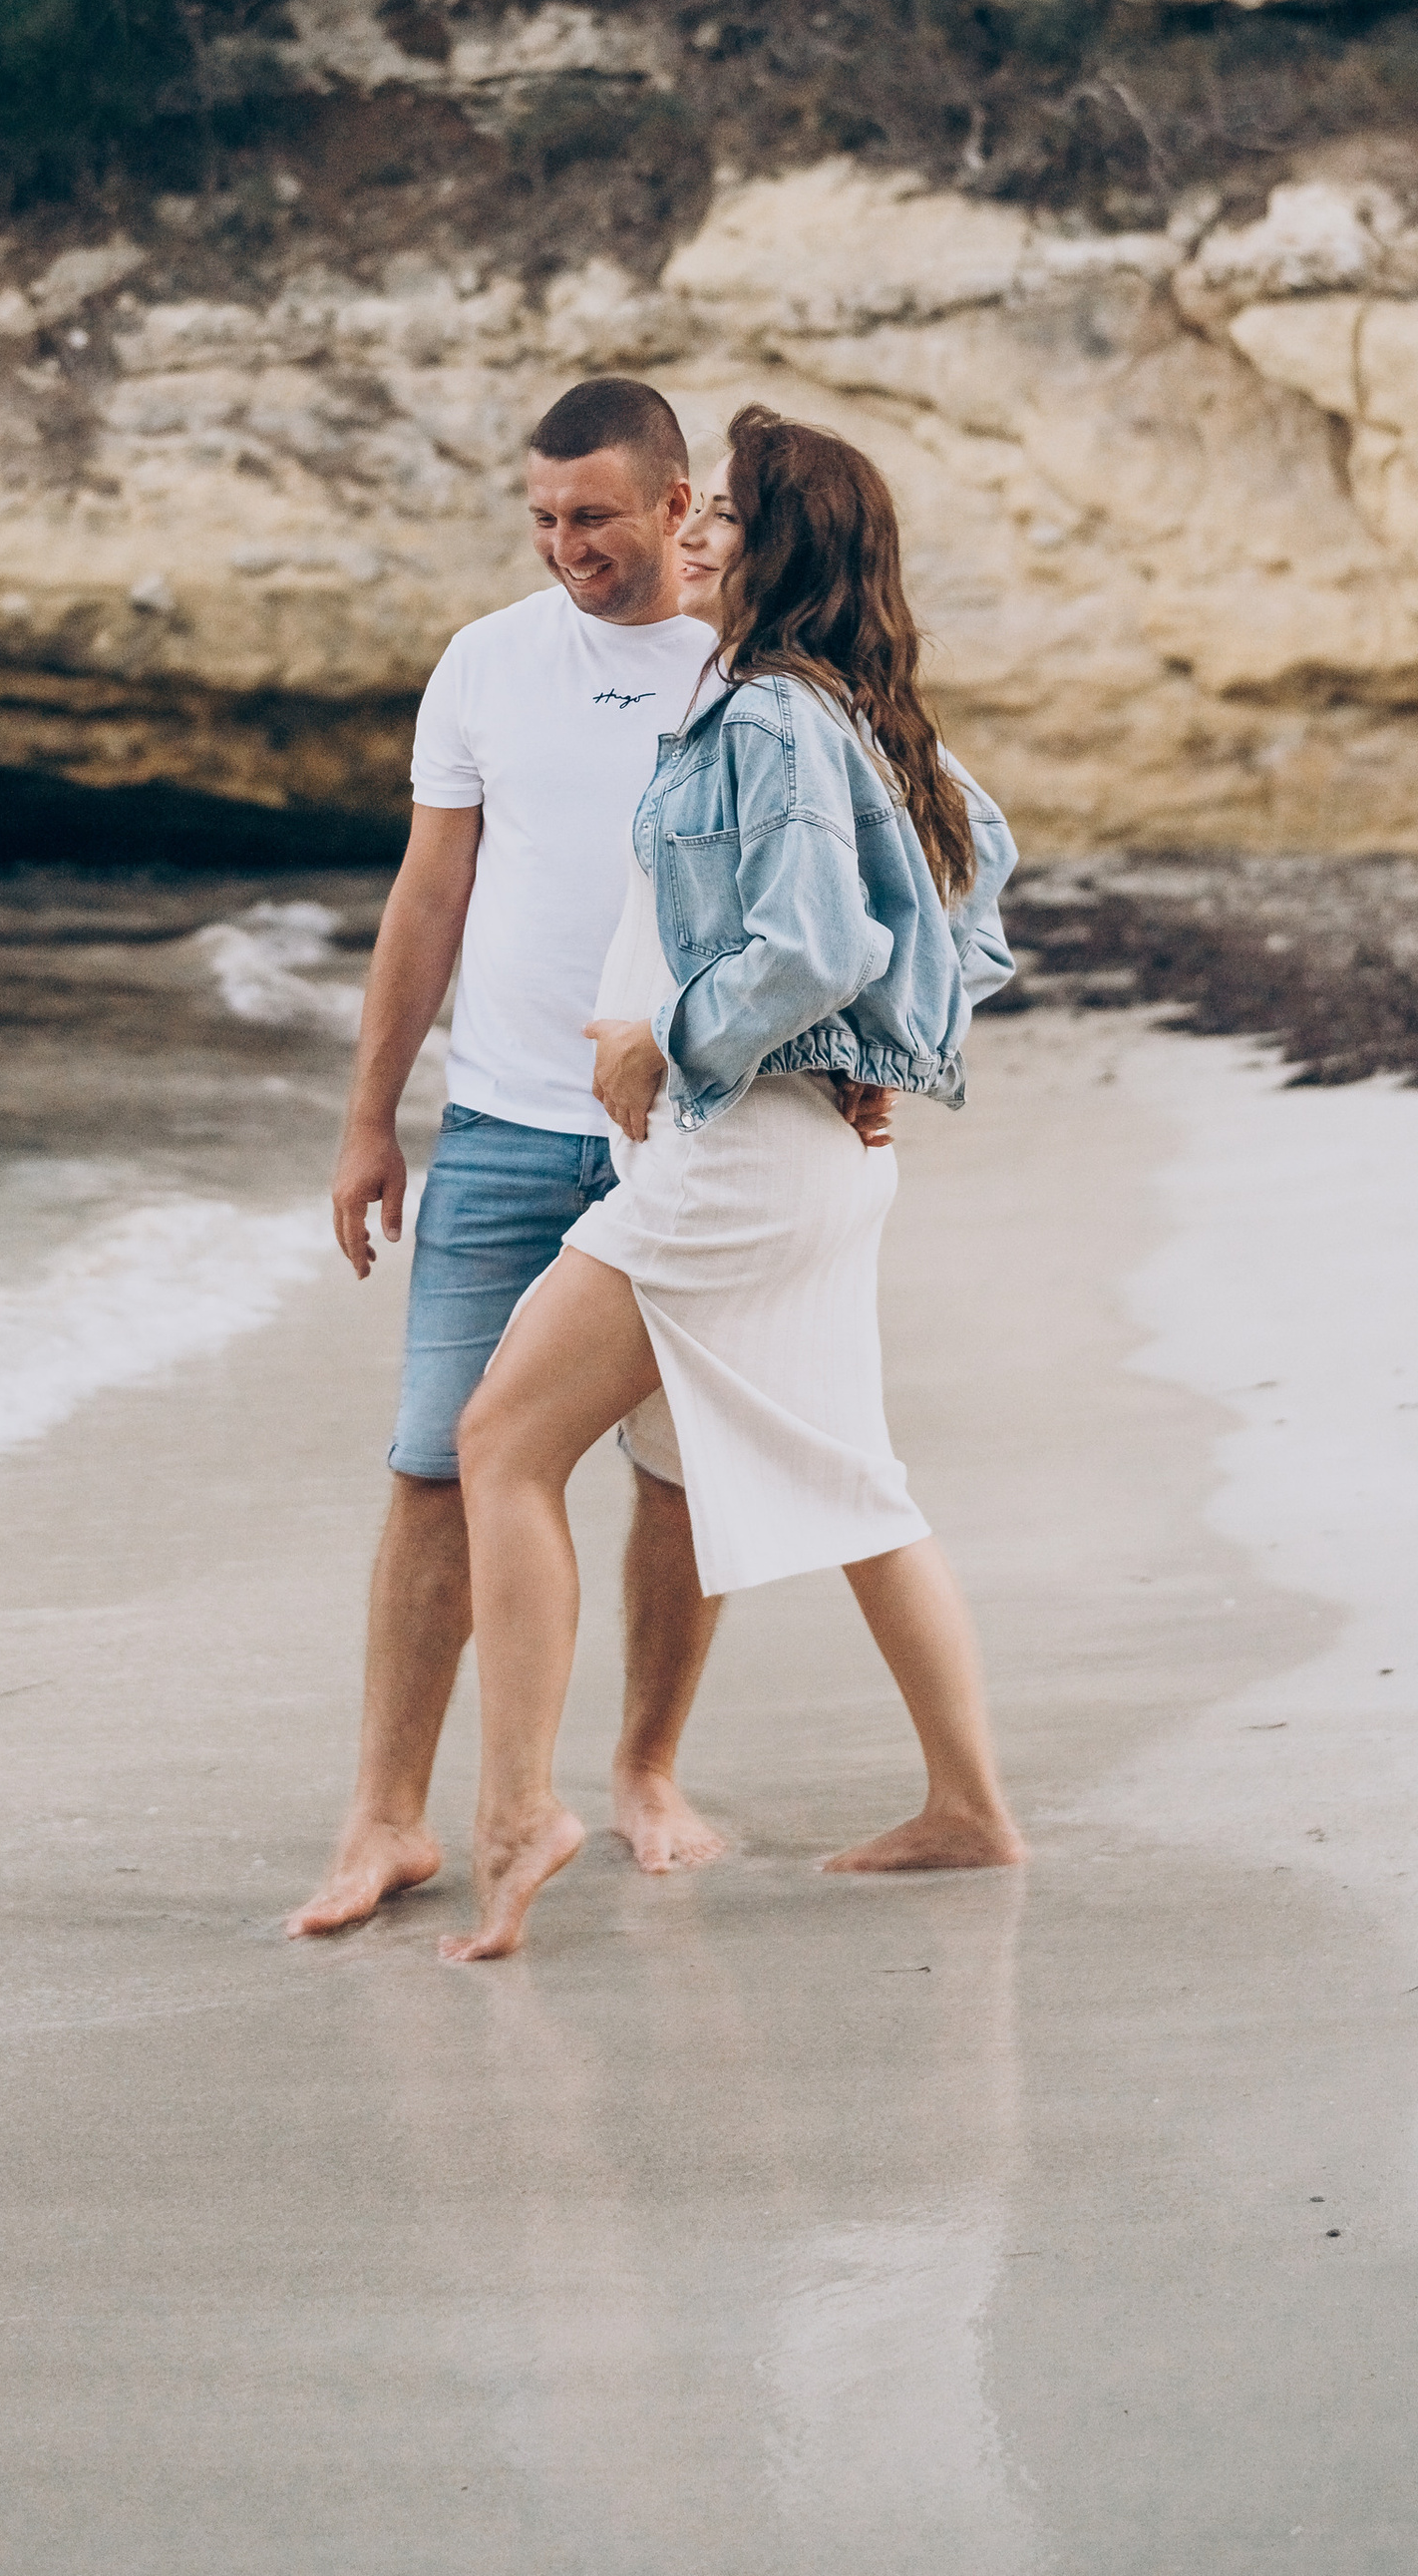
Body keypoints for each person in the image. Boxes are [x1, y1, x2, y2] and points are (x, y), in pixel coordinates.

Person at [442, 403, 1028, 1963]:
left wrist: (670, 1039)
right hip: (808, 1160)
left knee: (498, 1441)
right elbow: (981, 866)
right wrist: (884, 1051)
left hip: (737, 1161)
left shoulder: (767, 712)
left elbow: (826, 942)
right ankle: (969, 1807)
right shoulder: (849, 707)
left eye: (727, 516)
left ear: (776, 548)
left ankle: (516, 1816)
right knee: (859, 1487)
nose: (695, 532)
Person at [287, 374, 729, 1937]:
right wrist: (368, 1121)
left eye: (595, 518)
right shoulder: (484, 664)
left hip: (689, 1142)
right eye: (543, 520)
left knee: (680, 1476)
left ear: (680, 506)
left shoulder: (751, 667)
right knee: (435, 1468)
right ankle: (386, 1818)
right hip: (498, 1136)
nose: (566, 548)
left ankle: (647, 1773)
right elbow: (429, 900)